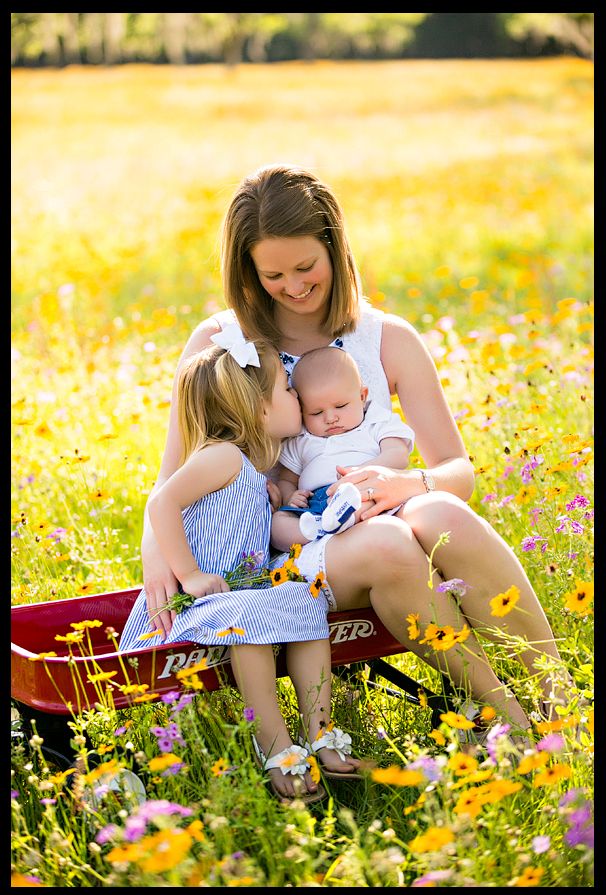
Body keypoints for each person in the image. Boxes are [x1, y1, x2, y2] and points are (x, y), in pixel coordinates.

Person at [141, 163, 576, 740]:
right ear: (246, 270)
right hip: (275, 554)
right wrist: (160, 561)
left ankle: (560, 699)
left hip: (375, 512)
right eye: (272, 274)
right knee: (389, 543)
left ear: (335, 247)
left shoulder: (385, 338)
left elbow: (458, 472)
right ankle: (511, 724)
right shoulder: (222, 344)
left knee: (440, 511)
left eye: (306, 267)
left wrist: (408, 485)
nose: (293, 286)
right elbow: (170, 480)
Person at [119, 329, 362, 801]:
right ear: (259, 409)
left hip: (235, 594)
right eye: (288, 390)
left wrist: (276, 501)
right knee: (250, 618)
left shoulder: (248, 468)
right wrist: (189, 575)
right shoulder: (223, 456)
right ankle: (274, 745)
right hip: (192, 603)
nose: (297, 395)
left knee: (301, 597)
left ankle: (321, 731)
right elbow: (162, 503)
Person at [271, 345, 415, 548]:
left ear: (362, 396)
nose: (330, 418)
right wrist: (291, 496)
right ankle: (315, 531)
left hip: (366, 491)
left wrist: (364, 472)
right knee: (277, 525)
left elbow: (398, 454)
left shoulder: (375, 422)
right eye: (316, 413)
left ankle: (344, 519)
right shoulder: (303, 439)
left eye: (340, 406)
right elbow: (286, 478)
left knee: (362, 502)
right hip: (314, 506)